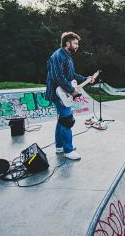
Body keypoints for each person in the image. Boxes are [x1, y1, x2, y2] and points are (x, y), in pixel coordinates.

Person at [45, 32, 95, 160]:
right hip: (57, 93)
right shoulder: (58, 56)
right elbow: (58, 77)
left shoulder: (67, 55)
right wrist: (71, 90)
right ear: (68, 43)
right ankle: (68, 150)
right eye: (75, 43)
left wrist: (86, 78)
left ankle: (59, 146)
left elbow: (71, 74)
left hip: (63, 91)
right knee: (67, 120)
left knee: (62, 120)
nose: (77, 45)